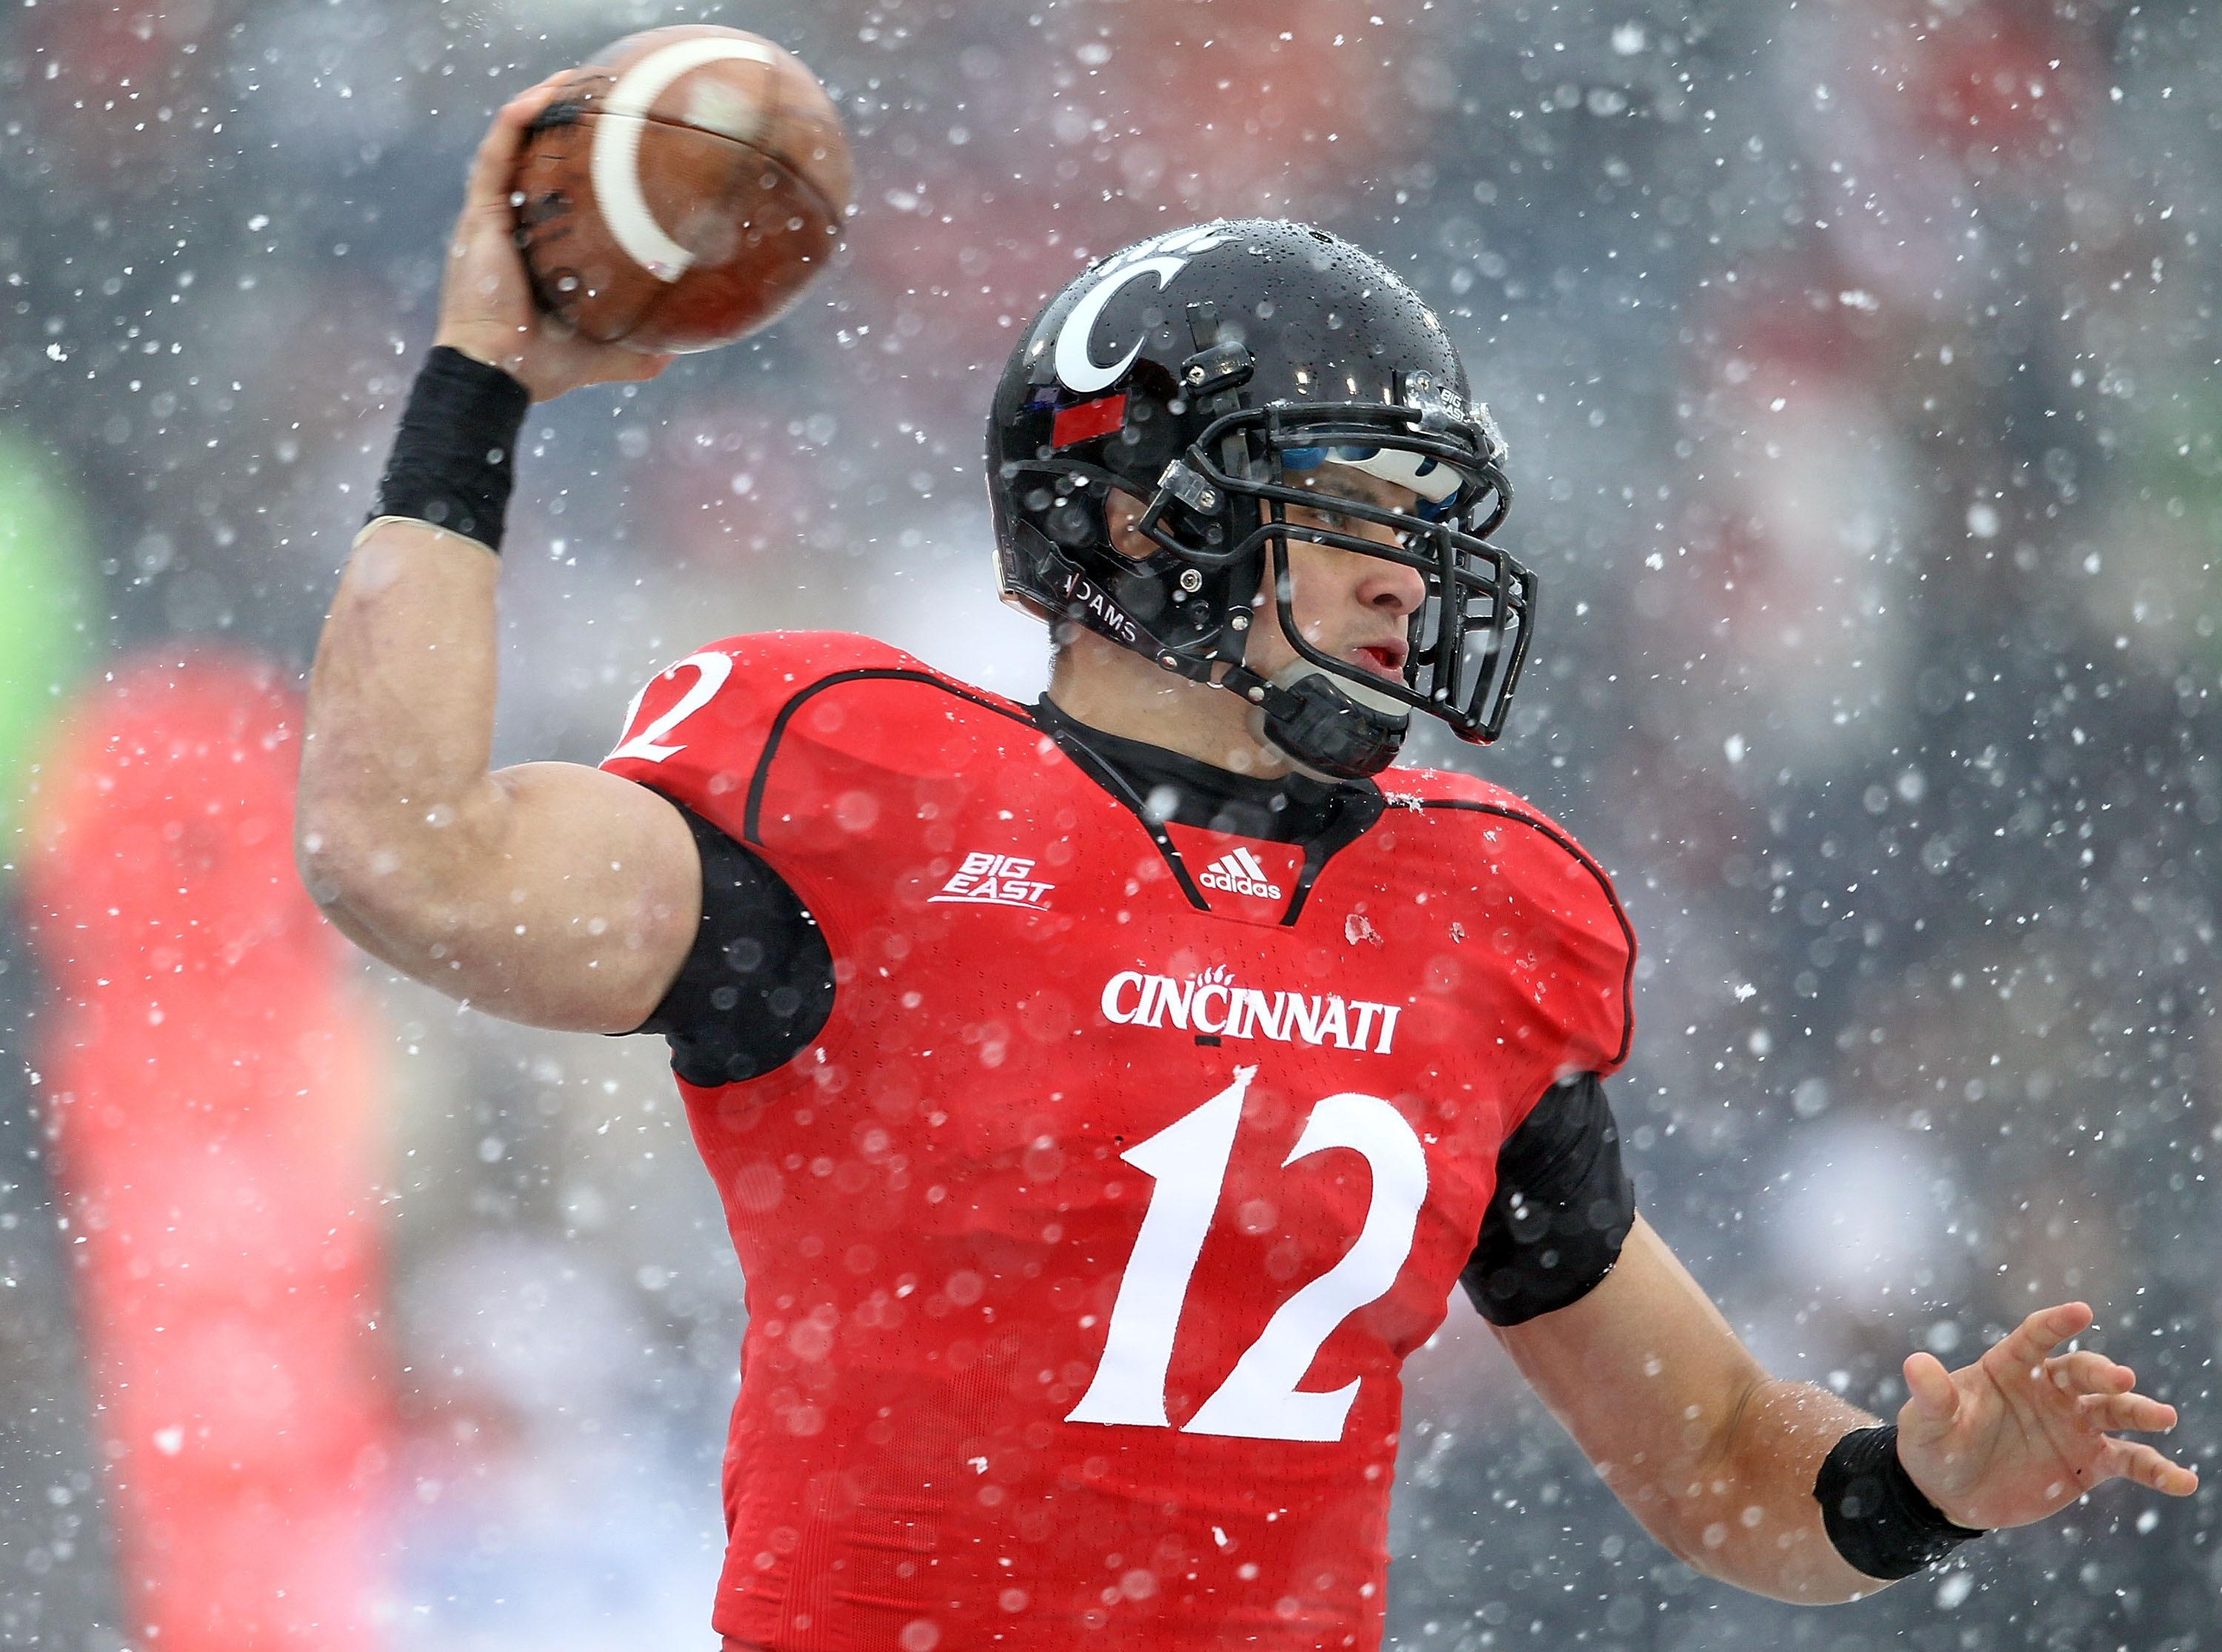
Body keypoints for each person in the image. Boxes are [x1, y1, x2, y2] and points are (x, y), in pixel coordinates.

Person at [297, 81, 2198, 1651]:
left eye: (1422, 517)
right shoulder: (876, 799)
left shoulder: (1479, 914)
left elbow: (1709, 1455)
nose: (1407, 570)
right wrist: (479, 387)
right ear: (1139, 506)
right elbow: (402, 853)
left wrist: (1915, 1491)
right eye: (1348, 501)